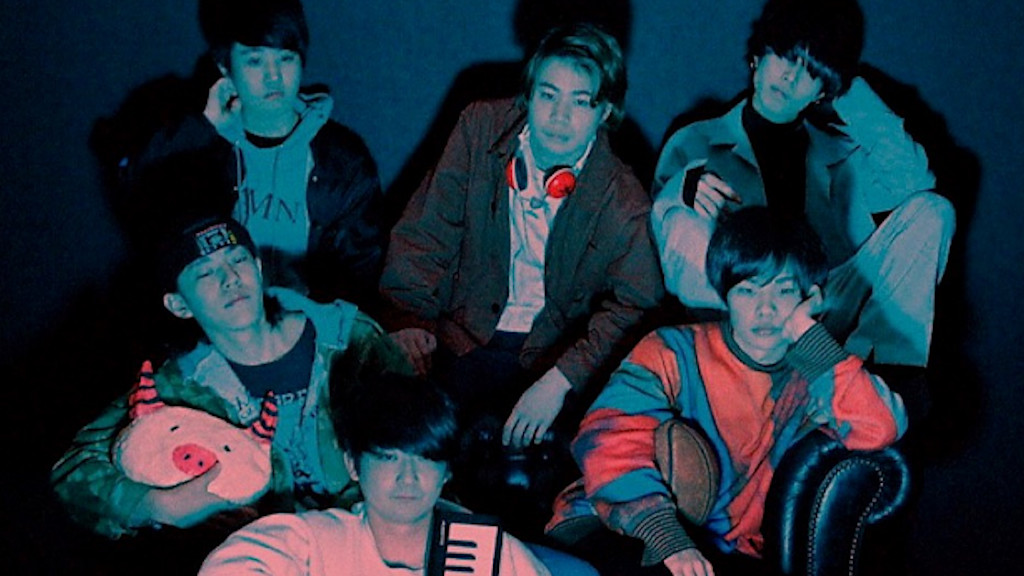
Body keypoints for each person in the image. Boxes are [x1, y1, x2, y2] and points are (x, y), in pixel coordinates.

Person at [378, 22, 663, 531]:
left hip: (550, 354)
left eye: (581, 102)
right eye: (548, 95)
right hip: (462, 337)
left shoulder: (623, 200)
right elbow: (426, 235)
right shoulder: (479, 128)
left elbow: (636, 305)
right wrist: (409, 323)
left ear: (605, 112)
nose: (559, 116)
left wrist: (562, 379)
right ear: (528, 94)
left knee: (551, 485)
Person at [546, 206, 909, 575]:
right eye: (747, 291)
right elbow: (608, 441)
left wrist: (809, 334)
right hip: (618, 522)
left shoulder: (815, 377)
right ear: (725, 296)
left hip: (723, 548)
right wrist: (670, 540)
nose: (765, 309)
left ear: (809, 297)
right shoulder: (671, 350)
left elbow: (880, 427)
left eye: (784, 290)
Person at [50, 215, 409, 556]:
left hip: (380, 541)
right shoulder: (180, 385)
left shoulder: (349, 339)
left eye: (238, 260)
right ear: (179, 304)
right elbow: (73, 471)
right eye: (205, 272)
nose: (230, 279)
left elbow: (423, 437)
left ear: (258, 267)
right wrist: (159, 505)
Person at [651, 0, 954, 369]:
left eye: (809, 71)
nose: (790, 77)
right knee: (680, 212)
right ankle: (735, 367)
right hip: (740, 314)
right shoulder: (696, 141)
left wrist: (847, 89)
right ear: (757, 57)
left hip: (822, 313)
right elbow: (660, 238)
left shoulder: (841, 154)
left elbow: (914, 181)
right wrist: (680, 191)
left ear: (822, 93)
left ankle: (880, 377)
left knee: (934, 211)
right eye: (783, 56)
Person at [125, 0, 386, 308]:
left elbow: (362, 268)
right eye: (255, 61)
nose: (273, 77)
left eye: (286, 59)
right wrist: (203, 126)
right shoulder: (204, 146)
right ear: (225, 67)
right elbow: (139, 190)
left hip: (310, 325)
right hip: (218, 325)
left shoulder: (343, 160)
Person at [198, 372, 572, 575]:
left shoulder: (492, 556)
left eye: (424, 459)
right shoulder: (309, 541)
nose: (408, 477)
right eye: (388, 458)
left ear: (445, 472)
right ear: (353, 464)